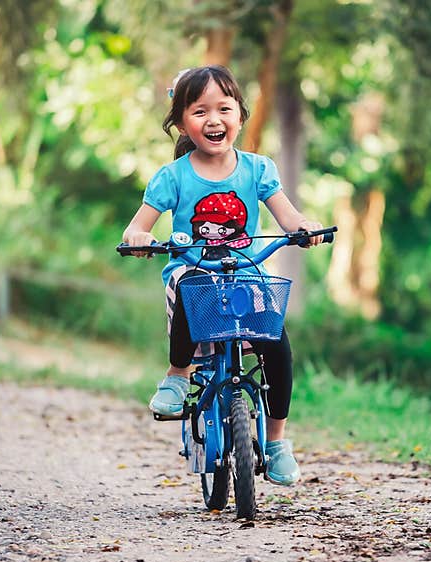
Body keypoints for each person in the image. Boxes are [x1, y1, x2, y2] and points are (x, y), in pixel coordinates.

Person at [122, 65, 324, 486]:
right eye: (200, 111)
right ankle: (178, 377)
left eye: (224, 109)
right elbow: (136, 227)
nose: (213, 120)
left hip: (244, 273)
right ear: (181, 122)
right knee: (192, 287)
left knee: (276, 340)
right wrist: (141, 237)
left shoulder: (257, 169)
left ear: (240, 116)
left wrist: (303, 231)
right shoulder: (172, 176)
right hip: (195, 270)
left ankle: (276, 442)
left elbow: (288, 217)